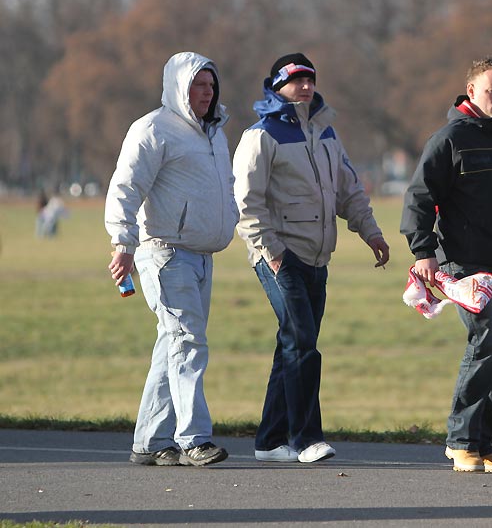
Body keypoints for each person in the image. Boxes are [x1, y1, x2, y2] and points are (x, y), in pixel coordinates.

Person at [233, 53, 390, 464]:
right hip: (279, 257)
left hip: (318, 257)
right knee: (302, 342)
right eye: (295, 80)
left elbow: (348, 190)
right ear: (276, 86)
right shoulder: (261, 135)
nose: (305, 86)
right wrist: (272, 253)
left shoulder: (326, 133)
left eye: (310, 79)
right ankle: (306, 439)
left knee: (294, 342)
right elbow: (246, 204)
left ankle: (270, 441)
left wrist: (371, 232)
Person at [400, 57, 492, 473]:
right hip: (465, 265)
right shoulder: (450, 139)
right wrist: (424, 252)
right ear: (471, 93)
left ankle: (482, 444)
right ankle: (460, 441)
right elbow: (419, 197)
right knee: (488, 342)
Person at [105, 52, 238, 467]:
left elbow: (227, 185)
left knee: (174, 344)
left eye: (211, 85)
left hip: (202, 256)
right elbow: (125, 187)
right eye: (198, 84)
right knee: (188, 343)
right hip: (165, 253)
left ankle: (149, 441)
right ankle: (193, 439)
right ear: (179, 87)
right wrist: (122, 243)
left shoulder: (215, 133)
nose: (207, 92)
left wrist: (229, 218)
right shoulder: (153, 129)